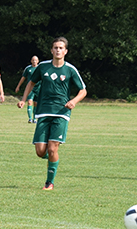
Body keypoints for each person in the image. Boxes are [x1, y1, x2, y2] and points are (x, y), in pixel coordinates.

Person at [18, 37, 86, 190]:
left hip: (61, 113)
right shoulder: (42, 67)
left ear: (66, 51)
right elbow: (31, 82)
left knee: (53, 147)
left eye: (61, 48)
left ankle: (49, 182)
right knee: (40, 151)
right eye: (55, 47)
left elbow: (83, 90)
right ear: (51, 50)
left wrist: (74, 101)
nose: (58, 50)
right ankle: (53, 158)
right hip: (43, 112)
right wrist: (24, 99)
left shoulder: (70, 69)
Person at [15, 55, 40, 123]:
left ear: (38, 61)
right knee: (29, 102)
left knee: (36, 104)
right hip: (30, 88)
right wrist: (18, 86)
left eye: (36, 60)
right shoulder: (28, 69)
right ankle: (30, 118)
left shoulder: (40, 68)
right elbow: (23, 78)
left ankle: (35, 119)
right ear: (31, 61)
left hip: (38, 88)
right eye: (33, 60)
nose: (34, 61)